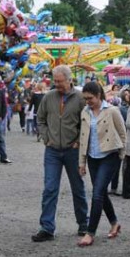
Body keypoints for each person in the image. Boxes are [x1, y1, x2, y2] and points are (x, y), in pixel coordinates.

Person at [32, 65, 88, 242]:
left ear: (69, 80)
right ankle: (47, 228)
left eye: (59, 81)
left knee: (78, 188)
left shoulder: (80, 98)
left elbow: (86, 122)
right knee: (49, 188)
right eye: (54, 81)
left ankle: (83, 224)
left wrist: (79, 140)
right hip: (53, 151)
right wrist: (45, 137)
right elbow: (40, 119)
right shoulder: (48, 97)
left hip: (73, 150)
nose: (56, 84)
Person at [77, 82, 126, 247]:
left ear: (98, 95)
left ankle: (90, 233)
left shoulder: (112, 110)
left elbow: (122, 133)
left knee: (97, 194)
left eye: (90, 98)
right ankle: (114, 223)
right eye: (85, 99)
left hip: (109, 156)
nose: (87, 101)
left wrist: (122, 155)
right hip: (92, 157)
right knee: (102, 193)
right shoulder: (85, 112)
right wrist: (82, 162)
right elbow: (84, 138)